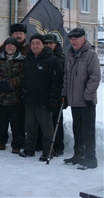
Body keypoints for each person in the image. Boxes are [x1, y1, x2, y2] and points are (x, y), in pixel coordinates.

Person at [62, 28, 101, 170]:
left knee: (88, 130)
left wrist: (87, 94)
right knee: (77, 128)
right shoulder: (70, 55)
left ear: (83, 39)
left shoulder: (90, 55)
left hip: (86, 100)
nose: (73, 42)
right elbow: (66, 77)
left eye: (76, 39)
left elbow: (95, 77)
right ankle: (78, 155)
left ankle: (91, 158)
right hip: (74, 100)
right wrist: (65, 94)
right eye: (71, 39)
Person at [20, 34, 62, 161]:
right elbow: (25, 79)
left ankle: (48, 152)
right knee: (30, 128)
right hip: (30, 100)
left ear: (43, 45)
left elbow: (57, 82)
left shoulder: (52, 60)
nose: (35, 46)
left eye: (38, 43)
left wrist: (53, 99)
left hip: (44, 102)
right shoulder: (28, 59)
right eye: (33, 43)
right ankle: (29, 150)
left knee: (47, 130)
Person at [0, 37, 24, 154]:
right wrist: (0, 83)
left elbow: (22, 76)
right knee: (0, 122)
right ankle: (0, 142)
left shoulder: (21, 60)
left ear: (16, 47)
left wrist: (10, 84)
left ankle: (17, 144)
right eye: (7, 45)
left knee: (16, 123)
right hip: (0, 97)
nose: (9, 47)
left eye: (12, 45)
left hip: (15, 98)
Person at [43, 33, 65, 156]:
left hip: (57, 94)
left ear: (56, 45)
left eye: (50, 43)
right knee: (44, 121)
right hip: (44, 94)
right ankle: (43, 144)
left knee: (56, 121)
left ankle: (58, 146)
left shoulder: (61, 58)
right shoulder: (42, 56)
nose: (48, 46)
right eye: (46, 43)